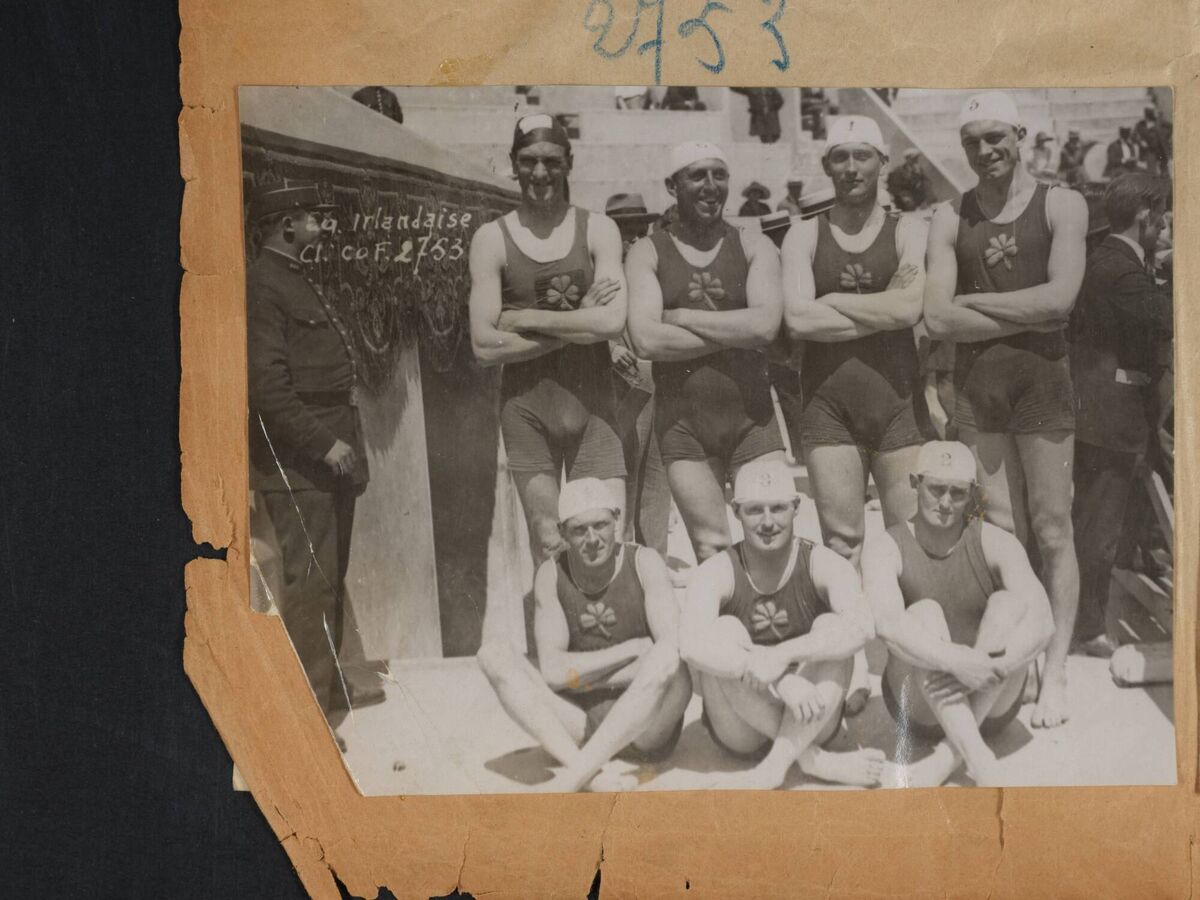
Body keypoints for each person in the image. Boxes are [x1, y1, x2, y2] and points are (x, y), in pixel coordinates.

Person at [923, 91, 1088, 729]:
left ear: (1020, 135)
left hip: (1042, 383)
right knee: (1002, 531)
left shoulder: (1062, 203)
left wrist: (976, 306)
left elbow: (1061, 305)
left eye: (996, 138)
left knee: (1052, 528)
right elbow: (937, 316)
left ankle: (1059, 669)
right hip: (980, 388)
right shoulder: (948, 215)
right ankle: (1012, 661)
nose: (985, 152)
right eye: (973, 142)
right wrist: (1022, 304)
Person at [781, 114, 927, 714]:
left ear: (881, 163)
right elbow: (797, 319)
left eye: (862, 157)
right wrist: (877, 304)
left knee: (908, 542)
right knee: (841, 543)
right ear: (827, 168)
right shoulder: (803, 235)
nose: (850, 169)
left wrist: (834, 300)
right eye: (839, 158)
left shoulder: (909, 228)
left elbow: (912, 307)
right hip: (828, 405)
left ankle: (909, 668)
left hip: (895, 400)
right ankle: (854, 670)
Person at [246, 179, 385, 726]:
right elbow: (267, 389)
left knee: (328, 577)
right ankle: (308, 719)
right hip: (302, 464)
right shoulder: (264, 286)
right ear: (287, 225)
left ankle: (324, 696)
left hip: (329, 459)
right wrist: (323, 443)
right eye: (313, 219)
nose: (321, 227)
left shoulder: (293, 279)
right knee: (311, 586)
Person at [468, 114, 628, 564]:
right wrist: (579, 321)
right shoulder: (491, 240)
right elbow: (483, 346)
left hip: (592, 404)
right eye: (529, 161)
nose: (540, 173)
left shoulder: (598, 229)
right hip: (527, 411)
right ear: (513, 164)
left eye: (551, 162)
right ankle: (553, 636)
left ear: (568, 163)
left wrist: (522, 319)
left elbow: (613, 322)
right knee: (551, 544)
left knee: (606, 539)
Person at [625, 141, 785, 567]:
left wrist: (677, 315)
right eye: (698, 175)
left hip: (753, 419)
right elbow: (646, 340)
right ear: (672, 185)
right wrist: (739, 330)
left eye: (719, 174)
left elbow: (767, 327)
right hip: (684, 426)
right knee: (712, 551)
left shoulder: (754, 246)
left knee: (770, 542)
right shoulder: (648, 251)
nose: (710, 186)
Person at [680, 459, 885, 790]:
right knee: (723, 631)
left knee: (832, 624)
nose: (767, 522)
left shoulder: (822, 563)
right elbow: (689, 644)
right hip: (741, 726)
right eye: (754, 510)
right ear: (736, 512)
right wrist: (778, 679)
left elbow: (863, 627)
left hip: (812, 713)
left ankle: (773, 769)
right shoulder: (718, 570)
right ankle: (813, 760)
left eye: (777, 508)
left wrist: (782, 657)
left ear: (796, 508)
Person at [476, 479, 692, 792]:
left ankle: (574, 776)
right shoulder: (551, 574)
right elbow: (552, 672)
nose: (592, 539)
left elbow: (668, 654)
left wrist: (578, 677)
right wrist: (630, 650)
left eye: (601, 525)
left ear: (616, 521)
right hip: (581, 721)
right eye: (579, 530)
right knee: (492, 654)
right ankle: (589, 773)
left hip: (648, 727)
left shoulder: (644, 562)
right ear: (563, 533)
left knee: (669, 659)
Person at [864, 441, 1055, 787]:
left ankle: (948, 758)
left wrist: (987, 668)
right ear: (913, 483)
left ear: (973, 494)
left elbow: (1044, 621)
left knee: (1009, 605)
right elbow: (888, 626)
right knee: (923, 614)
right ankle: (980, 759)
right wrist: (960, 662)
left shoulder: (995, 541)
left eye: (958, 493)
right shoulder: (886, 547)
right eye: (936, 489)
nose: (946, 503)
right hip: (921, 707)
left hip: (990, 698)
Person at [1069, 173, 1172, 655]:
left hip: (1107, 412)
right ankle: (1086, 626)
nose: (1166, 226)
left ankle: (1090, 611)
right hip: (1113, 417)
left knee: (1104, 521)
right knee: (1098, 529)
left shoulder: (1110, 259)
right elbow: (1169, 316)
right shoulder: (1119, 270)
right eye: (1163, 218)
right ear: (1145, 218)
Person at [605, 193, 671, 554]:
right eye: (625, 232)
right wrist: (610, 349)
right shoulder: (602, 275)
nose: (633, 240)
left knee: (658, 474)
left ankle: (654, 556)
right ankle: (622, 554)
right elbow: (590, 326)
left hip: (660, 377)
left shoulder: (655, 271)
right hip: (621, 383)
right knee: (623, 469)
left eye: (638, 232)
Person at [1134, 107, 1171, 176]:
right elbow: (1134, 136)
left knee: (1164, 171)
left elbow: (1170, 127)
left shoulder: (1159, 122)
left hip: (1161, 149)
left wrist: (1166, 138)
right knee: (1151, 172)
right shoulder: (1141, 125)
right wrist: (1140, 142)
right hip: (1149, 151)